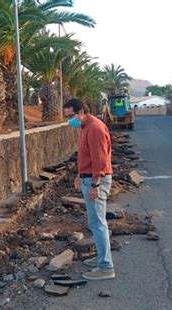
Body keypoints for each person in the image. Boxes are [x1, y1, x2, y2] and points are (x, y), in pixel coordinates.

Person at [63, 98, 115, 281]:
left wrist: (95, 184)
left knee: (98, 223)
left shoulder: (94, 128)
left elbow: (100, 160)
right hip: (88, 178)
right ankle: (101, 258)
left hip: (95, 181)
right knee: (95, 222)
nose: (69, 120)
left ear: (81, 112)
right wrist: (80, 175)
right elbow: (87, 157)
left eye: (71, 116)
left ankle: (106, 266)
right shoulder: (85, 127)